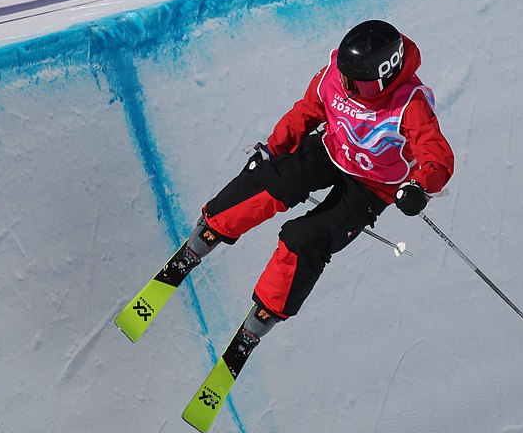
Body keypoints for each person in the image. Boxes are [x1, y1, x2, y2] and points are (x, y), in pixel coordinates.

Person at [179, 20, 454, 355]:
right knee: (274, 178)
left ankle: (266, 312)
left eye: (363, 87)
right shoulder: (334, 79)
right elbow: (307, 112)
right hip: (330, 150)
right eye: (348, 81)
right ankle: (210, 230)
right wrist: (273, 149)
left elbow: (435, 154)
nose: (352, 90)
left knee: (307, 237)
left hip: (373, 185)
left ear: (386, 75)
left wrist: (419, 187)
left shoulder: (409, 103)